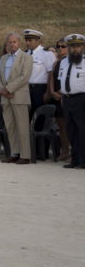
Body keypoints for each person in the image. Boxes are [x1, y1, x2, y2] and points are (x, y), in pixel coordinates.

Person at [0, 32, 32, 165]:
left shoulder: (26, 57)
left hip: (19, 96)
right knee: (10, 126)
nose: (11, 44)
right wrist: (3, 90)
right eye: (9, 42)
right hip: (6, 97)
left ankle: (25, 155)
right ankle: (14, 153)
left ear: (19, 43)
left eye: (14, 42)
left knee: (22, 126)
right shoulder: (4, 58)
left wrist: (9, 89)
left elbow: (24, 77)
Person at [54, 33, 85, 169]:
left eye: (78, 46)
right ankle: (75, 159)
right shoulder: (63, 62)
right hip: (66, 100)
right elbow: (61, 80)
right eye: (72, 46)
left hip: (81, 99)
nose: (75, 49)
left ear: (82, 47)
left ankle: (83, 160)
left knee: (82, 131)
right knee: (71, 131)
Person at [48, 40, 71, 161]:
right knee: (61, 127)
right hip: (57, 97)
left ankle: (75, 151)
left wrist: (62, 92)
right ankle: (65, 151)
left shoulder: (71, 61)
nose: (60, 48)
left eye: (63, 46)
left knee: (71, 126)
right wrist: (52, 92)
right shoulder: (56, 63)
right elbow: (51, 78)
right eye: (58, 46)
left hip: (67, 96)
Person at [24, 29, 55, 117]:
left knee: (39, 115)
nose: (27, 43)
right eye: (26, 40)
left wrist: (48, 92)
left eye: (30, 40)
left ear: (38, 40)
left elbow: (51, 74)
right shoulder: (24, 54)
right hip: (26, 89)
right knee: (26, 116)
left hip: (40, 89)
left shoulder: (46, 54)